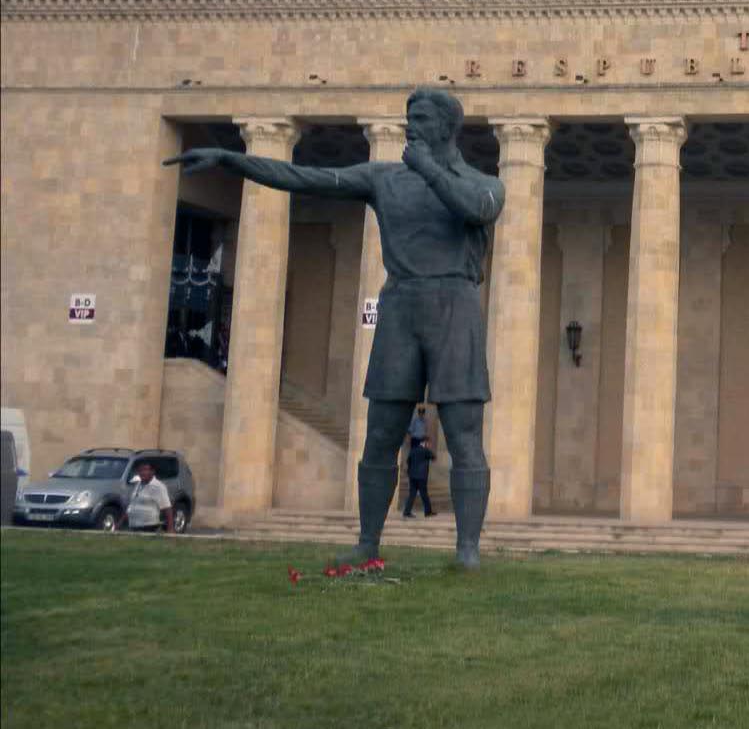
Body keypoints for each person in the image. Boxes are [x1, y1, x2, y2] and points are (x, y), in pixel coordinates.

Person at [165, 87, 505, 569]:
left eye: (422, 119)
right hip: (401, 305)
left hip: (455, 303)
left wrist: (428, 169)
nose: (412, 126)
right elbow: (306, 177)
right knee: (382, 432)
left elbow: (478, 210)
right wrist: (233, 160)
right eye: (409, 117)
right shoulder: (383, 179)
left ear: (448, 128)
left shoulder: (485, 182)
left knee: (465, 432)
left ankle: (467, 548)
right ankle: (368, 540)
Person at [120, 462, 174, 533]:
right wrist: (120, 523)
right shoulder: (138, 485)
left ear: (152, 471)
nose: (142, 473)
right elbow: (132, 507)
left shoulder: (158, 487)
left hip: (150, 527)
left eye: (145, 470)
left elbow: (167, 509)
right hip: (134, 527)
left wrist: (170, 529)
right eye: (140, 470)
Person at [403, 436, 436, 518]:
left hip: (412, 476)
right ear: (424, 442)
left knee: (412, 494)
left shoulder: (413, 450)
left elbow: (408, 461)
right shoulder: (425, 451)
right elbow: (433, 457)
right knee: (424, 494)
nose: (428, 445)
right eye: (428, 443)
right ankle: (428, 512)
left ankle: (407, 512)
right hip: (422, 476)